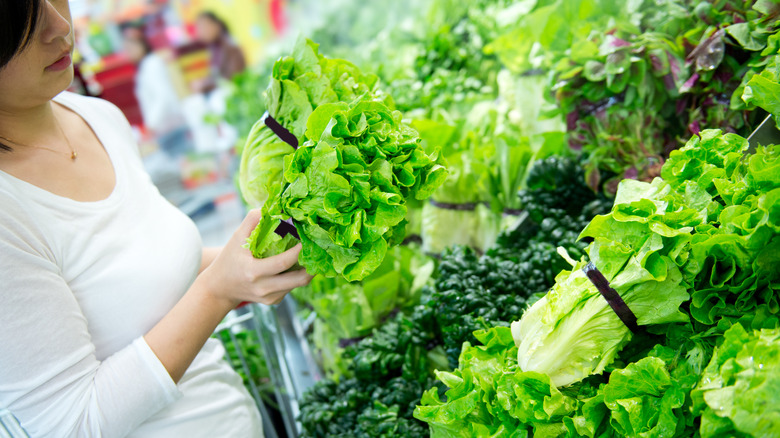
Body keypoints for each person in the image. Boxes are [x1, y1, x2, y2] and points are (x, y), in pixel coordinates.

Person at [0, 2, 312, 438]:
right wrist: (217, 291)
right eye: (23, 20)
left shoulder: (97, 118)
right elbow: (70, 424)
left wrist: (262, 254)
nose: (58, 26)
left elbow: (147, 274)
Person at [123, 25, 193, 157]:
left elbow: (163, 97)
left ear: (141, 45)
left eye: (130, 48)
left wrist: (151, 126)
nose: (129, 53)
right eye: (126, 50)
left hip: (173, 128)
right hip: (166, 131)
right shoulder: (145, 67)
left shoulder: (152, 64)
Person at [195, 11, 247, 83]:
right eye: (199, 28)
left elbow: (234, 77)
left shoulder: (230, 45)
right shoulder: (213, 48)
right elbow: (216, 74)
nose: (201, 32)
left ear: (217, 25)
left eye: (204, 26)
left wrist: (208, 84)